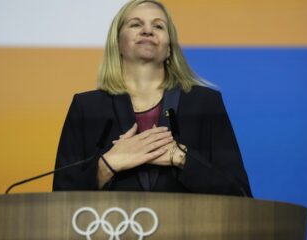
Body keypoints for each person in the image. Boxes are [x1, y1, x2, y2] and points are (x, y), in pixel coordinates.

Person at [52, 0, 252, 197]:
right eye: (136, 24)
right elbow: (59, 202)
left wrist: (181, 157)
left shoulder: (205, 103)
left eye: (158, 26)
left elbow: (240, 195)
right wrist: (107, 165)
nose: (148, 31)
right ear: (118, 43)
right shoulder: (87, 107)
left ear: (170, 48)